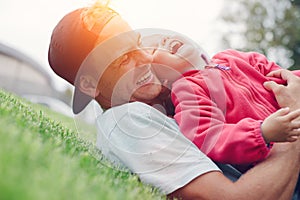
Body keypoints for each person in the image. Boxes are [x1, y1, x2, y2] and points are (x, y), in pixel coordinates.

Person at [48, 2, 300, 199]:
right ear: (90, 84)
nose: (145, 58)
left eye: (137, 44)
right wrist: (294, 112)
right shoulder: (127, 121)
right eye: (123, 59)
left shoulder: (169, 99)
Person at [141, 34, 300, 169]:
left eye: (163, 36)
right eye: (154, 49)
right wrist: (262, 133)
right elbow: (208, 134)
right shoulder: (187, 90)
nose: (164, 40)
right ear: (163, 81)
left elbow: (287, 78)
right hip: (276, 158)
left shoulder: (232, 57)